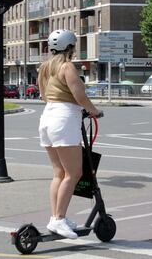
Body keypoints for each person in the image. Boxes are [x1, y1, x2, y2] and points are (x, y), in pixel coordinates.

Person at [38, 29, 103, 239]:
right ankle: (59, 219)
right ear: (70, 48)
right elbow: (80, 95)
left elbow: (43, 96)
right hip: (63, 121)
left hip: (47, 119)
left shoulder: (44, 68)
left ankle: (56, 218)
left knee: (59, 173)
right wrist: (94, 110)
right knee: (73, 173)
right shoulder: (67, 67)